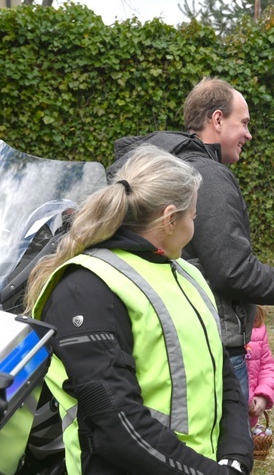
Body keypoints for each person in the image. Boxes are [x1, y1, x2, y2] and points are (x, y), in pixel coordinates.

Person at [25, 145, 253, 475]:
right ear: (170, 218)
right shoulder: (86, 288)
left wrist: (235, 454)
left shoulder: (185, 272)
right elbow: (116, 424)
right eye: (193, 216)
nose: (195, 224)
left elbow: (222, 374)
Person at [107, 77, 274, 404]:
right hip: (215, 343)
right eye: (244, 123)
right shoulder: (206, 175)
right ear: (218, 119)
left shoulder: (162, 170)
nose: (249, 135)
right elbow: (233, 270)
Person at [245, 306, 274, 430]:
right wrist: (246, 397)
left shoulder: (257, 325)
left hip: (249, 416)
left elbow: (267, 365)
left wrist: (263, 395)